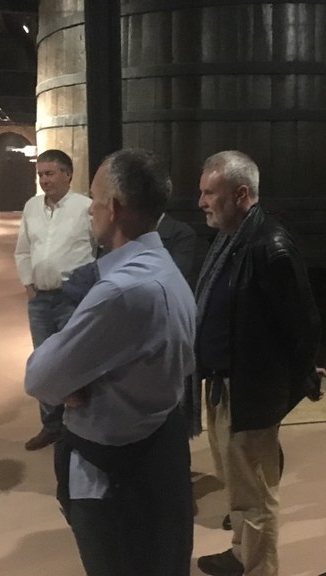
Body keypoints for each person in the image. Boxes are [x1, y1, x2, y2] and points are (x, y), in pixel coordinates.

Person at [25, 148, 196, 576]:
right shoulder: (164, 268)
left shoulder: (120, 291)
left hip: (116, 474)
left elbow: (40, 378)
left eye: (95, 200)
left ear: (115, 207)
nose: (90, 211)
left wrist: (71, 381)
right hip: (160, 451)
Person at [194, 150, 321, 576]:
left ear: (241, 194)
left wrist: (290, 385)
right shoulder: (232, 239)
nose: (201, 202)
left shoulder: (271, 247)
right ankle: (239, 554)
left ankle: (259, 569)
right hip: (223, 385)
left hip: (250, 391)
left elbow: (303, 326)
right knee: (236, 482)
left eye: (210, 193)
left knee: (255, 494)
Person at [14, 149, 95, 451]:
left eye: (49, 173)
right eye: (40, 174)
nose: (44, 180)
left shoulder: (85, 207)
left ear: (67, 174)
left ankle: (79, 426)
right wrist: (28, 284)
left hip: (73, 298)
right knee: (45, 362)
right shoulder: (31, 207)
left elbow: (100, 247)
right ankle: (51, 425)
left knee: (75, 360)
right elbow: (23, 250)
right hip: (40, 300)